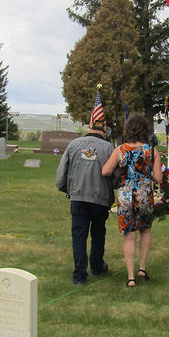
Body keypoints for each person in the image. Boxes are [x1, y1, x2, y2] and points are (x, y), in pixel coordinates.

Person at [102, 113, 163, 288]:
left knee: (129, 237)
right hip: (144, 196)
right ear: (146, 131)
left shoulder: (120, 150)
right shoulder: (152, 151)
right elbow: (158, 178)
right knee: (145, 231)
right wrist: (147, 173)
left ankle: (130, 277)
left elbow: (105, 171)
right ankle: (142, 268)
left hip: (126, 197)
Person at [56, 118, 118, 284]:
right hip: (100, 199)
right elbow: (116, 179)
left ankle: (79, 276)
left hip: (78, 197)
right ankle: (97, 267)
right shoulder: (108, 148)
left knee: (79, 235)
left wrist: (68, 190)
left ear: (90, 128)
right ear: (104, 132)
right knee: (98, 232)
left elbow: (61, 175)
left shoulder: (74, 144)